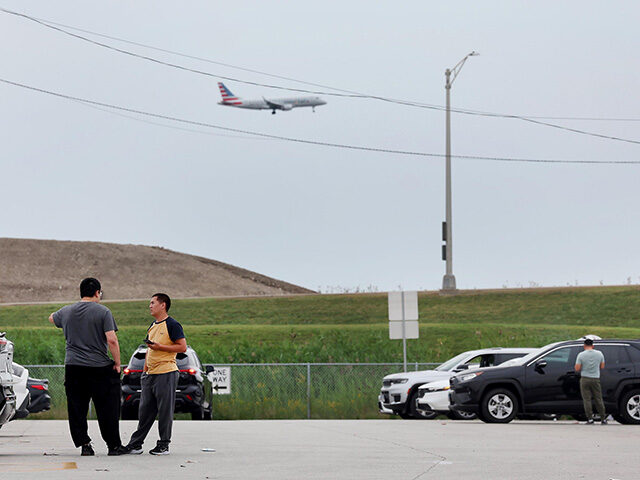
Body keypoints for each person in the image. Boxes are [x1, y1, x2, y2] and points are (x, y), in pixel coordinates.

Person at [49, 277, 126, 455]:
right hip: (99, 368)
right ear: (97, 292)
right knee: (108, 407)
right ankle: (113, 445)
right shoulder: (103, 312)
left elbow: (52, 318)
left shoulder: (67, 311)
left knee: (77, 408)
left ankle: (85, 445)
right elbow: (112, 340)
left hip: (74, 367)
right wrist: (117, 363)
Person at [124, 293, 186, 455]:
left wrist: (161, 348)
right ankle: (136, 444)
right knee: (145, 410)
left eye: (153, 303)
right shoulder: (153, 324)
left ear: (163, 305)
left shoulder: (172, 325)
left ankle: (163, 444)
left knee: (164, 410)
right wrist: (145, 370)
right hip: (149, 374)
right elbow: (149, 350)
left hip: (166, 373)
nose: (150, 306)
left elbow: (182, 347)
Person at [575, 338, 606, 425]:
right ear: (593, 345)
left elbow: (577, 368)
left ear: (584, 346)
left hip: (585, 378)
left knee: (587, 400)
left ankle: (590, 419)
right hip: (596, 378)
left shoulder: (581, 355)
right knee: (598, 399)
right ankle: (603, 418)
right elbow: (602, 366)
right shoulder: (599, 354)